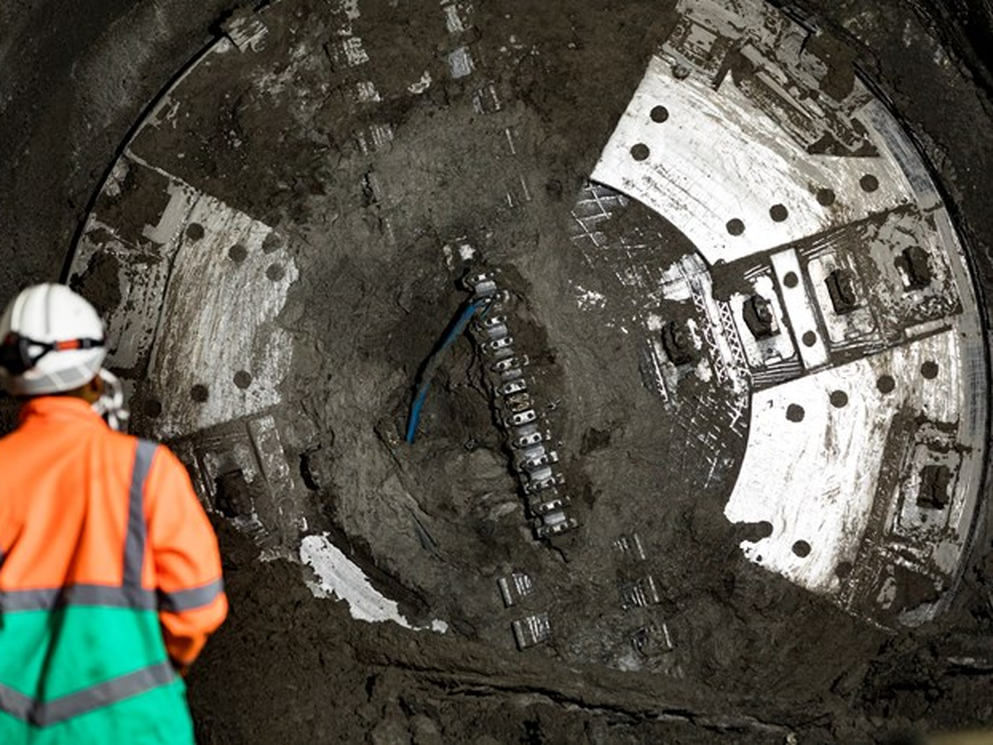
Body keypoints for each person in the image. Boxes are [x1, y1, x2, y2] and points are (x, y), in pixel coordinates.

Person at [0, 283, 228, 743]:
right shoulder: (147, 470)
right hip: (136, 724)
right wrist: (151, 664)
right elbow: (200, 607)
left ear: (10, 374)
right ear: (93, 370)